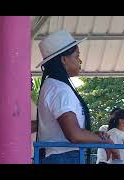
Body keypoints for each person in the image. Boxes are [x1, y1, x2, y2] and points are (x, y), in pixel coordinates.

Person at [36, 30, 119, 164]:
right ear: (64, 59)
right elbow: (74, 135)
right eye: (76, 56)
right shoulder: (59, 89)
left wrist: (94, 136)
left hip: (58, 157)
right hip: (64, 157)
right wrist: (106, 141)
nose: (80, 61)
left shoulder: (53, 85)